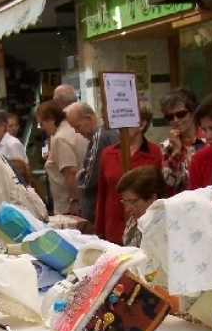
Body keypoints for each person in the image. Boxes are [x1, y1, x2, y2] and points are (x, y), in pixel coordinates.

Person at [94, 102, 163, 243]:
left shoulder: (155, 153)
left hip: (144, 227)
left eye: (126, 122)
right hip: (113, 227)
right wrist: (99, 228)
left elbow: (161, 193)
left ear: (142, 124)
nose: (121, 128)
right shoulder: (108, 153)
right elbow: (102, 193)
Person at [66, 101, 119, 223]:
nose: (77, 131)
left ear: (88, 118)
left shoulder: (99, 135)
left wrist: (80, 177)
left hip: (97, 205)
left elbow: (91, 175)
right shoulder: (106, 133)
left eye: (77, 126)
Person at [37, 99, 84, 217]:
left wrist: (73, 201)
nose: (42, 129)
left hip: (68, 205)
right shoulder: (69, 131)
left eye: (41, 123)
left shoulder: (61, 138)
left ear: (50, 119)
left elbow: (70, 172)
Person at [159, 86, 206, 196]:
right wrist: (176, 152)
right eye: (170, 117)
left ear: (192, 112)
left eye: (181, 114)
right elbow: (169, 183)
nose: (176, 120)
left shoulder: (208, 140)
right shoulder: (166, 146)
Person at [114, 164, 161, 248]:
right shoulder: (132, 223)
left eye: (132, 202)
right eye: (125, 203)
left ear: (152, 197)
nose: (127, 209)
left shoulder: (164, 229)